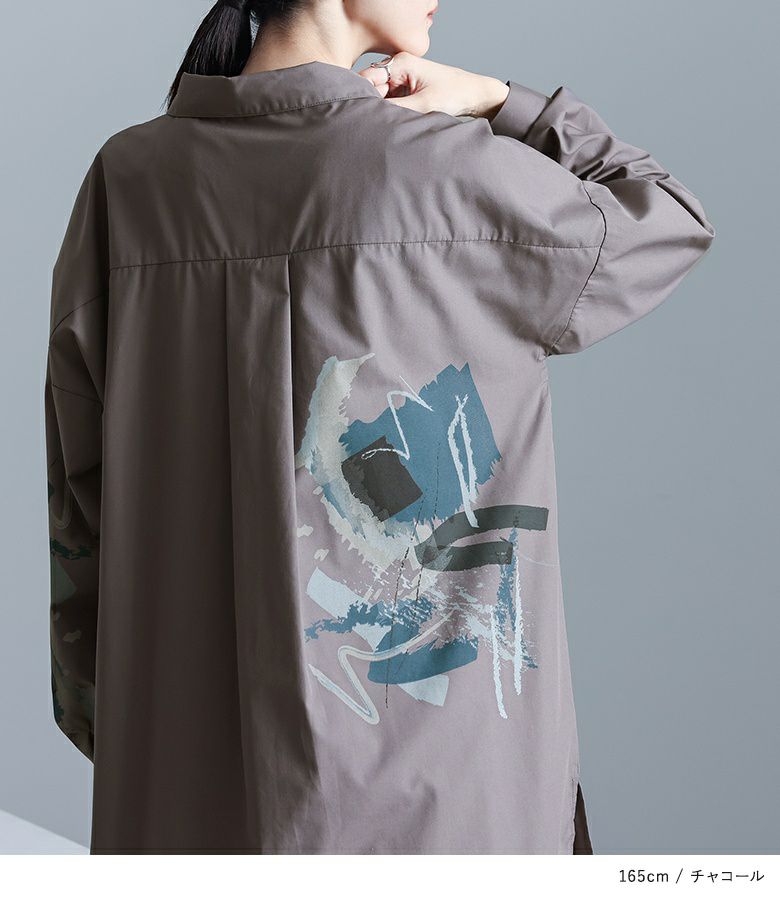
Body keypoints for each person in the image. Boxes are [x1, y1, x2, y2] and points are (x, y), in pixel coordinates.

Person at [45, 0, 715, 854]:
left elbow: (80, 492)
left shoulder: (129, 180)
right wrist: (501, 101)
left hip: (187, 785)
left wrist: (120, 727)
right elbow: (666, 219)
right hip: (440, 794)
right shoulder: (449, 171)